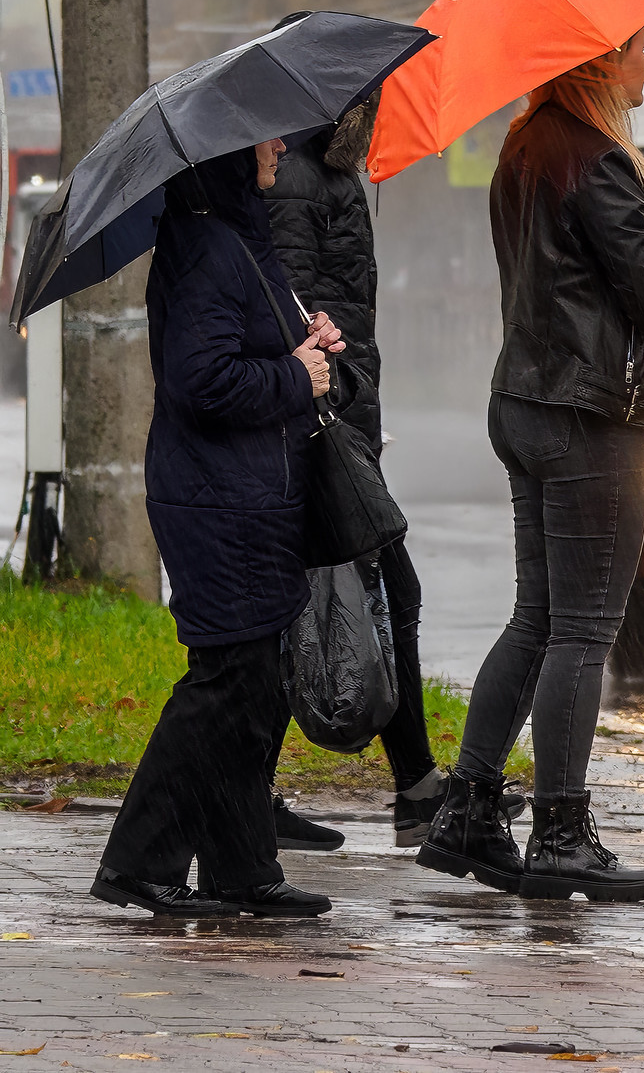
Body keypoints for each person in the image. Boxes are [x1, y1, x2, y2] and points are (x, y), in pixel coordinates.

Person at [419, 28, 644, 903]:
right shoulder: (595, 156)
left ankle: (467, 808)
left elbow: (580, 254)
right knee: (583, 629)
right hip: (590, 413)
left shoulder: (527, 146)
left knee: (538, 618)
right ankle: (560, 832)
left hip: (529, 398)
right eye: (639, 50)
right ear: (598, 62)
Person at [92, 140, 344, 918]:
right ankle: (138, 860)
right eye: (263, 139)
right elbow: (202, 382)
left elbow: (265, 351)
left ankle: (241, 867)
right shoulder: (206, 245)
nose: (277, 148)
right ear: (226, 156)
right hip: (217, 500)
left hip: (251, 495)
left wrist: (319, 347)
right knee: (225, 682)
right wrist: (294, 375)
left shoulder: (238, 236)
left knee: (254, 685)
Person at [264, 87, 479, 849]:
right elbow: (287, 309)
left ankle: (411, 785)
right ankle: (413, 789)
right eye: (372, 102)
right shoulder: (296, 178)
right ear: (337, 103)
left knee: (322, 604)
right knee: (369, 595)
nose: (381, 116)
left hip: (344, 418)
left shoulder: (328, 172)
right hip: (321, 424)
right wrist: (332, 417)